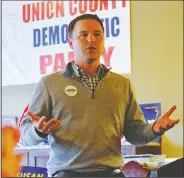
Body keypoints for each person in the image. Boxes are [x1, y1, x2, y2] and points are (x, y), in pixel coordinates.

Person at [20, 13, 180, 177]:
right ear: (70, 43)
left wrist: (154, 129)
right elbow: (25, 136)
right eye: (83, 35)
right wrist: (37, 131)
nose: (91, 39)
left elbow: (135, 134)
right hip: (66, 173)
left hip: (112, 173)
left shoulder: (122, 84)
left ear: (103, 42)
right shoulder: (49, 84)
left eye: (97, 34)